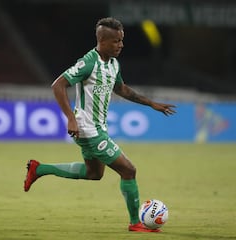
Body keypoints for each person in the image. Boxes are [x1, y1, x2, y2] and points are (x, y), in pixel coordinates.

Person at [24, 17, 176, 232]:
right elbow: (58, 85)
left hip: (98, 128)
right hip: (87, 130)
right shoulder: (88, 63)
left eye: (122, 40)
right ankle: (135, 223)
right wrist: (70, 117)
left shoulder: (113, 64)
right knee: (129, 170)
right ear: (102, 41)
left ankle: (39, 169)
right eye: (116, 41)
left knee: (94, 174)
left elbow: (122, 89)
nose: (121, 45)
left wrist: (151, 103)